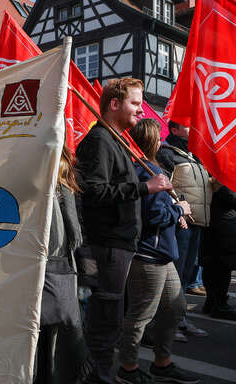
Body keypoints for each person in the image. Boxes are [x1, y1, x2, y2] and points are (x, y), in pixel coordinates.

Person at [75, 78, 173, 384]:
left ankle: (102, 373)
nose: (141, 110)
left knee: (112, 316)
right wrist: (146, 186)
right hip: (107, 245)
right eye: (135, 103)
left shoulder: (115, 140)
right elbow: (93, 190)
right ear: (114, 104)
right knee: (105, 319)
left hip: (119, 244)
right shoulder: (100, 140)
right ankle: (99, 377)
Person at [115, 119, 199, 384]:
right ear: (152, 140)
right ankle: (127, 368)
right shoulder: (145, 171)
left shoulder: (151, 168)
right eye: (158, 137)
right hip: (149, 254)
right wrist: (178, 211)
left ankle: (161, 364)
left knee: (174, 308)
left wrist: (176, 212)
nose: (163, 141)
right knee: (141, 315)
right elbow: (153, 215)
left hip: (163, 254)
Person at [34, 146, 85, 384]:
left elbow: (74, 237)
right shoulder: (47, 192)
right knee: (46, 338)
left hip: (61, 267)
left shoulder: (63, 192)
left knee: (51, 339)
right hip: (49, 268)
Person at [156, 120, 211, 340]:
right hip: (181, 222)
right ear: (175, 130)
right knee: (175, 275)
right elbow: (165, 187)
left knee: (187, 274)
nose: (194, 127)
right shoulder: (167, 154)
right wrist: (177, 211)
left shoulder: (193, 154)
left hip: (197, 220)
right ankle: (168, 324)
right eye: (188, 125)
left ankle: (181, 319)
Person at [200, 182, 236, 320]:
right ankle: (219, 305)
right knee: (222, 267)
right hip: (222, 227)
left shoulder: (215, 177)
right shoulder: (221, 180)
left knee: (214, 266)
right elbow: (232, 198)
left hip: (214, 225)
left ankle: (212, 302)